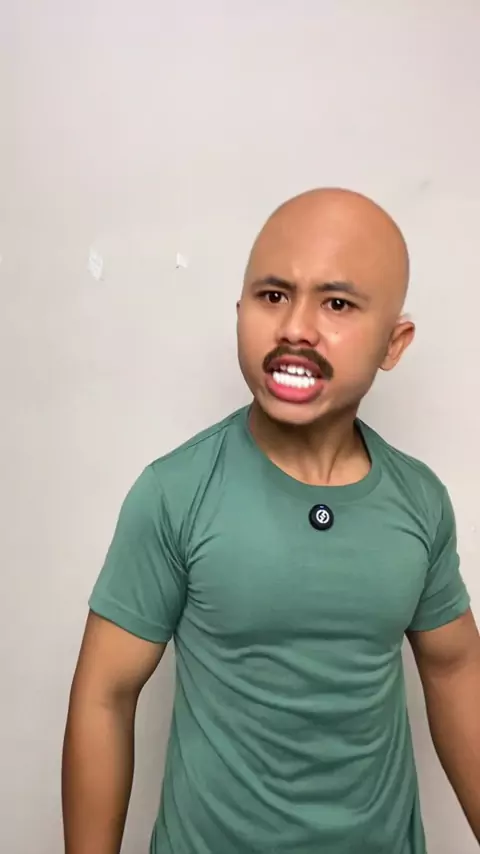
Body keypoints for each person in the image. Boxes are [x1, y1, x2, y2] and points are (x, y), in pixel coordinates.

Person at [62, 188, 480, 854]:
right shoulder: (176, 492)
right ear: (240, 312)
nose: (295, 328)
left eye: (336, 304)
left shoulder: (420, 501)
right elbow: (104, 697)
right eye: (273, 295)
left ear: (393, 343)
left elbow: (457, 673)